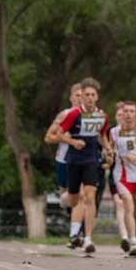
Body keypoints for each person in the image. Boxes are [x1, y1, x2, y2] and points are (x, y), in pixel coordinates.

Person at [49, 77, 111, 254]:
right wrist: (73, 141)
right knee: (75, 200)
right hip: (73, 160)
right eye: (86, 95)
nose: (90, 98)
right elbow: (59, 135)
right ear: (81, 97)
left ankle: (88, 238)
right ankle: (72, 225)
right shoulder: (74, 114)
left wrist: (107, 149)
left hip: (91, 161)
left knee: (89, 196)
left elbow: (102, 135)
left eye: (93, 95)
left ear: (97, 97)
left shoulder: (102, 116)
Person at [43, 83, 85, 248]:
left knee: (83, 196)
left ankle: (78, 235)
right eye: (77, 95)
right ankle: (74, 225)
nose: (80, 98)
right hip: (64, 161)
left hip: (84, 161)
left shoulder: (92, 115)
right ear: (71, 98)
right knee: (69, 198)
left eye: (83, 95)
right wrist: (67, 138)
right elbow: (48, 137)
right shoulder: (65, 115)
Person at [110, 101, 136, 257]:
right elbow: (109, 150)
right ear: (121, 114)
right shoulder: (114, 132)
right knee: (128, 205)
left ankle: (132, 231)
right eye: (126, 111)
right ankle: (133, 242)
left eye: (132, 111)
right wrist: (108, 157)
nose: (129, 114)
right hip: (122, 174)